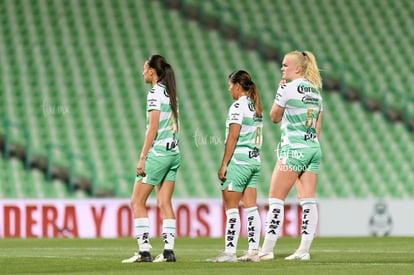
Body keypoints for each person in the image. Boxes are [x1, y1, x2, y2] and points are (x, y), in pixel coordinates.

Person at [259, 50, 323, 261]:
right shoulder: (315, 91)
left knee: (276, 198)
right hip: (312, 149)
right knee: (308, 200)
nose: (282, 68)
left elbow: (274, 117)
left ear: (297, 68)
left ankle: (267, 250)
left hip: (293, 150)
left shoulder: (287, 88)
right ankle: (303, 251)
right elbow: (317, 129)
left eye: (285, 65)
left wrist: (280, 92)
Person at [122, 54, 180, 263]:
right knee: (164, 202)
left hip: (159, 154)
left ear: (151, 72)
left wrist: (142, 157)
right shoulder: (170, 93)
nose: (142, 72)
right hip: (174, 152)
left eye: (144, 68)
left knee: (137, 201)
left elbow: (153, 128)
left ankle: (144, 251)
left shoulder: (154, 93)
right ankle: (168, 252)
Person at [208, 70, 263, 262]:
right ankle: (253, 251)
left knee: (231, 207)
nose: (229, 89)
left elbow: (233, 136)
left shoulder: (238, 106)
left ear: (238, 86)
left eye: (230, 85)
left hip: (239, 162)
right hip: (254, 161)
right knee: (251, 207)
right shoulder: (255, 106)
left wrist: (224, 164)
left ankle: (229, 252)